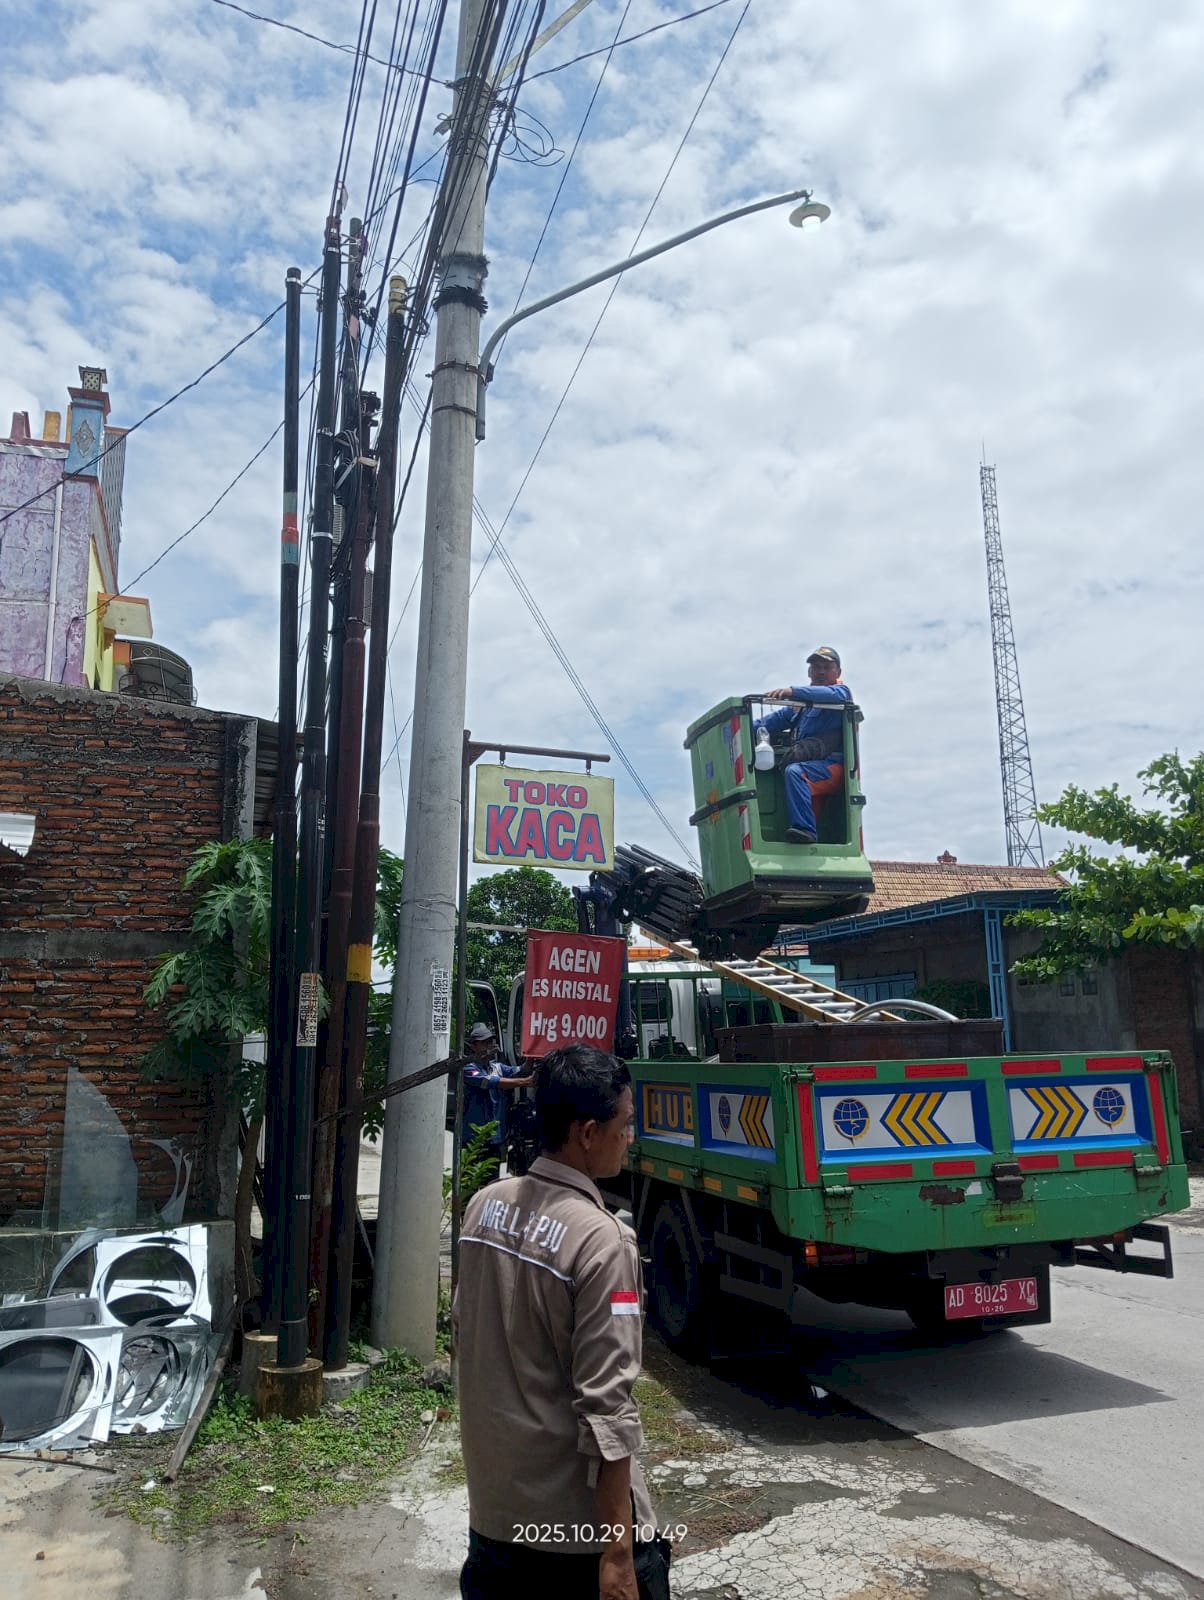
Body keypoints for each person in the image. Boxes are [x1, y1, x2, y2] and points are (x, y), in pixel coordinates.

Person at [455, 1045, 671, 1600]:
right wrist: (619, 1556)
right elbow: (608, 1407)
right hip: (574, 1543)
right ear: (587, 1132)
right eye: (625, 1125)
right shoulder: (603, 1242)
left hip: (495, 1525)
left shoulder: (483, 1209)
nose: (631, 1137)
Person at [758, 644, 852, 844]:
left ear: (838, 672)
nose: (820, 671)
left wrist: (792, 691)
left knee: (795, 772)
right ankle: (806, 838)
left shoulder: (840, 693)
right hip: (812, 770)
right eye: (816, 667)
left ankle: (805, 830)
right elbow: (767, 723)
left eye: (827, 667)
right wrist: (734, 723)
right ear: (809, 672)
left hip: (832, 768)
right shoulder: (799, 707)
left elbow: (835, 695)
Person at [461, 1022, 533, 1181]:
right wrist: (523, 1082)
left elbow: (521, 1070)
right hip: (473, 1139)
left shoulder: (497, 1067)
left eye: (490, 1042)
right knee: (470, 1185)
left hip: (495, 1139)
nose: (489, 1045)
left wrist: (531, 1053)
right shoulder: (468, 1069)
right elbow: (490, 1082)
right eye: (484, 1042)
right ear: (474, 1046)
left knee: (491, 1184)